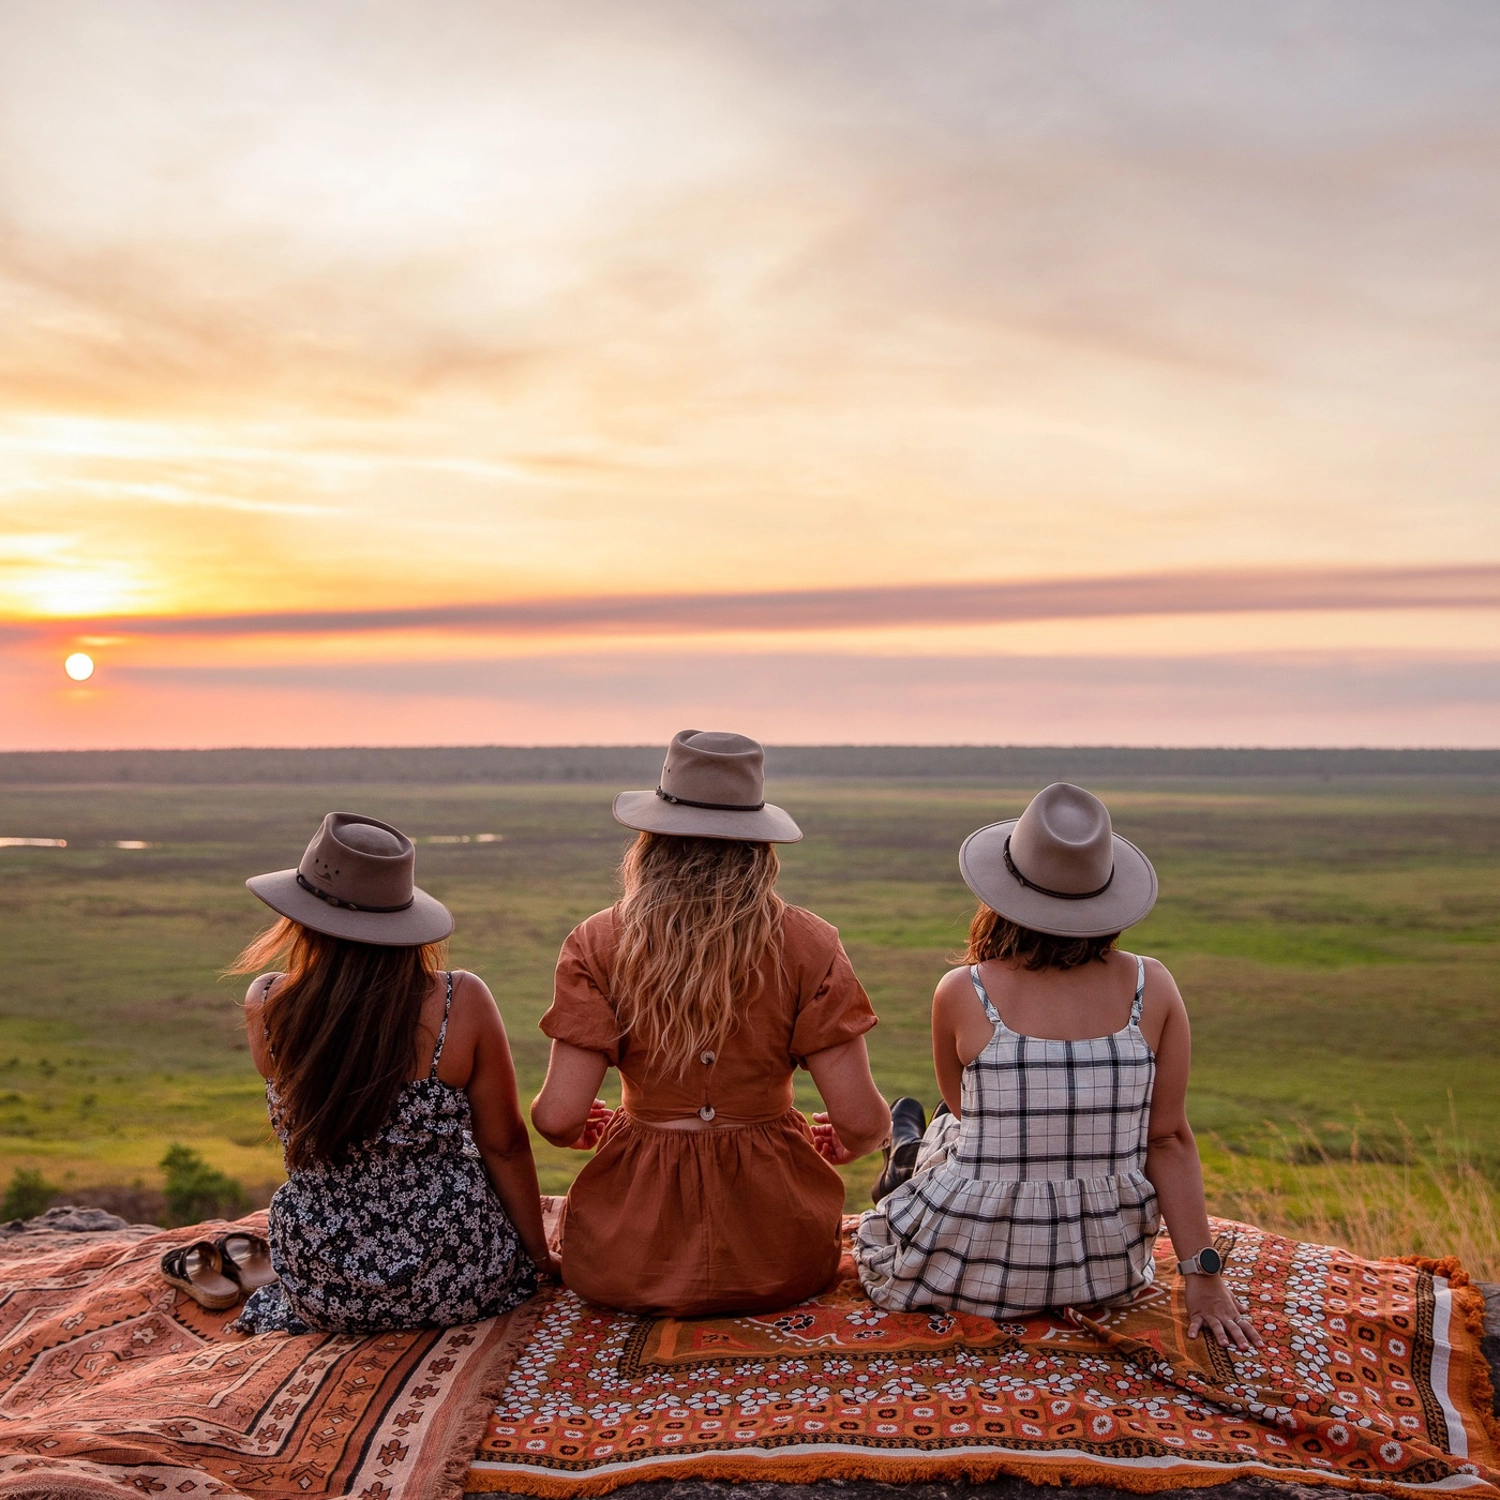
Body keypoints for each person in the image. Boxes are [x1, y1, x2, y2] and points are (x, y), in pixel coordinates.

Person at [855, 783, 1260, 1350]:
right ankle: (907, 1144)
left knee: (950, 1124)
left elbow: (969, 1113)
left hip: (966, 1270)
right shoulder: (1154, 985)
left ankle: (903, 1153)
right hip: (1105, 1271)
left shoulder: (961, 991)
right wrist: (1205, 1278)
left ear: (1000, 893)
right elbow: (1167, 1140)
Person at [530, 729, 892, 1317]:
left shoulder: (596, 941)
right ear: (759, 847)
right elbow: (861, 1120)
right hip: (780, 1261)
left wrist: (580, 1131)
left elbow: (556, 1117)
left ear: (650, 844)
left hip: (627, 1263)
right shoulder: (810, 943)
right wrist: (848, 1144)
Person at [230, 811, 552, 1334]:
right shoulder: (458, 1000)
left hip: (324, 1287)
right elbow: (505, 1144)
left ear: (299, 916)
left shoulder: (266, 1000)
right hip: (458, 1276)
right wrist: (538, 1258)